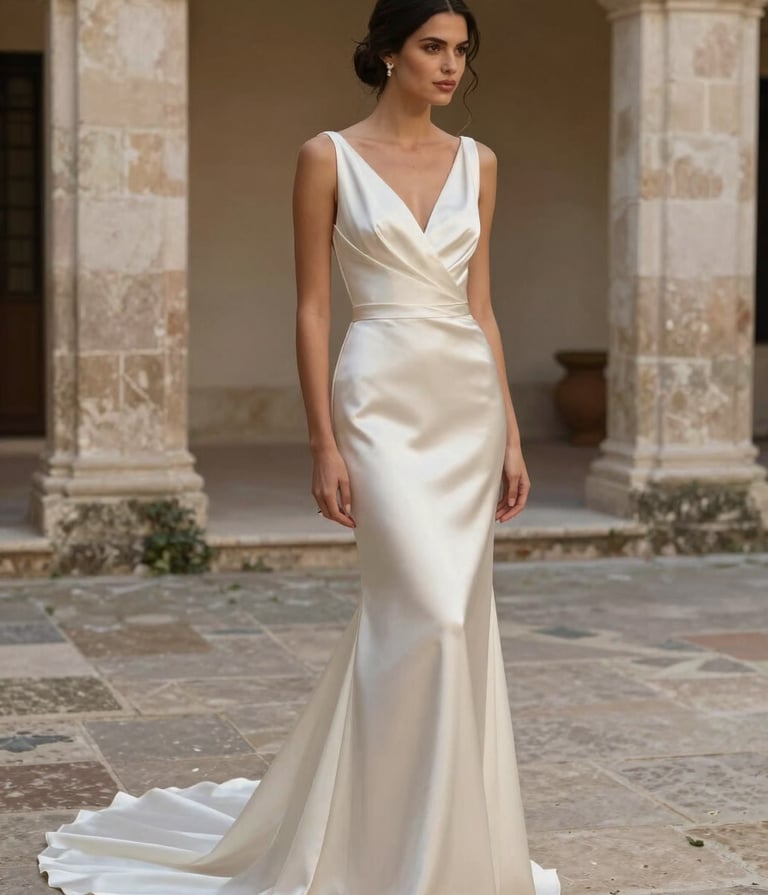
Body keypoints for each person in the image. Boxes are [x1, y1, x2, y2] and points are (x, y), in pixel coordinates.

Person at [37, 1, 560, 893]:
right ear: (387, 53)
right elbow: (314, 308)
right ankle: (380, 845)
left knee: (443, 623)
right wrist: (322, 438)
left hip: (465, 403)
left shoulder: (481, 163)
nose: (450, 67)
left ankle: (427, 840)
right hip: (380, 399)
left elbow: (481, 307)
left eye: (461, 52)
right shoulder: (328, 156)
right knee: (425, 615)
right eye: (432, 47)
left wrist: (510, 431)